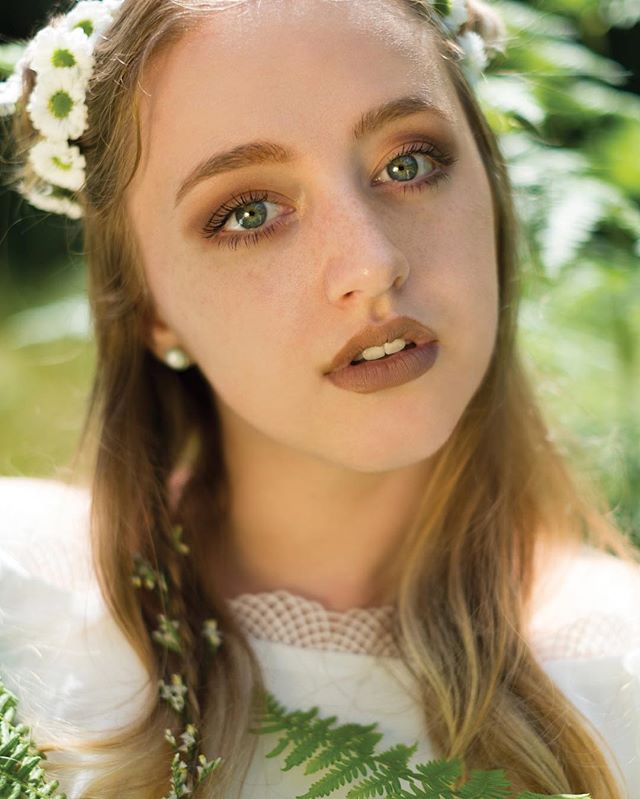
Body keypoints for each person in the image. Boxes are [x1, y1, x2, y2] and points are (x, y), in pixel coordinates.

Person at [0, 0, 639, 797]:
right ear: (151, 306)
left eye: (408, 163)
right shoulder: (17, 609)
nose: (371, 264)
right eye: (250, 213)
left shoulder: (622, 676)